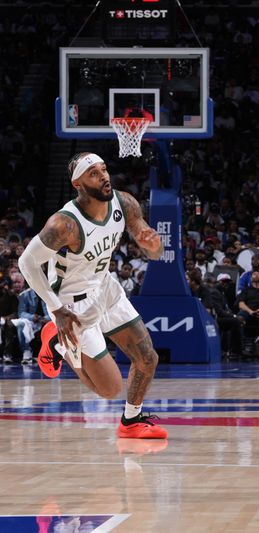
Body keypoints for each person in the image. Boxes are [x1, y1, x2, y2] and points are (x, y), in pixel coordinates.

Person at [18, 152, 167, 439]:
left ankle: (131, 422)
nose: (104, 176)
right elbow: (27, 262)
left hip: (105, 285)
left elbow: (153, 249)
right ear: (78, 184)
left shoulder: (123, 203)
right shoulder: (64, 224)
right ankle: (58, 344)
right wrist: (56, 308)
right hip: (72, 303)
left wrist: (154, 247)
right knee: (109, 389)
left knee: (147, 357)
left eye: (104, 169)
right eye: (94, 173)